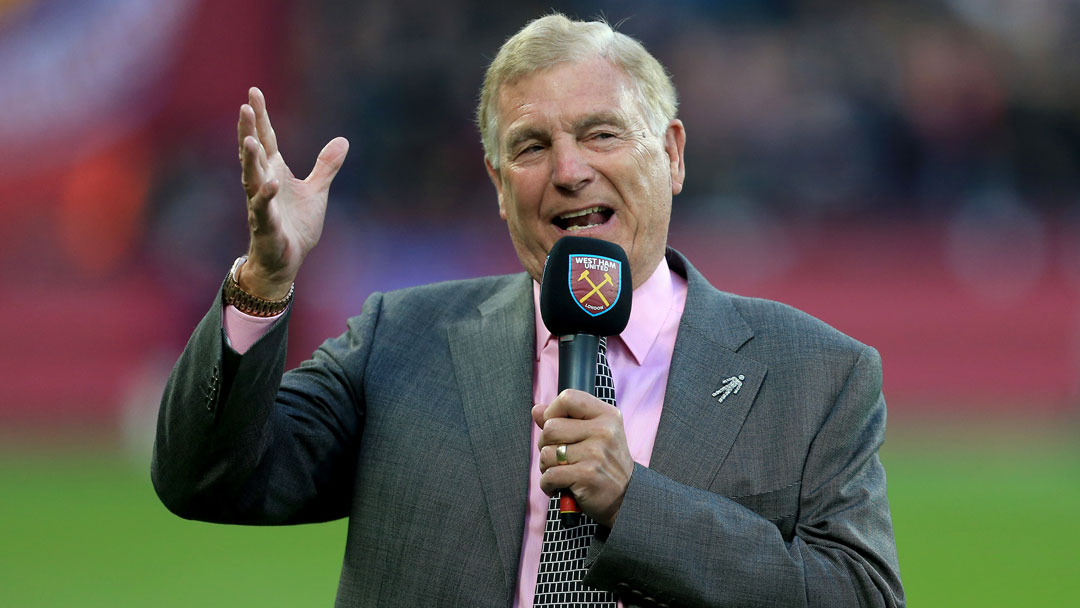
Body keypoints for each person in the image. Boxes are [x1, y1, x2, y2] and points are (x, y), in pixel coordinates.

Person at [152, 14, 904, 607]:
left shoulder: (817, 373)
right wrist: (263, 280)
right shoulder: (398, 343)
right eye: (532, 146)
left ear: (672, 154)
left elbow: (860, 597)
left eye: (601, 133)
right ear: (498, 181)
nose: (570, 171)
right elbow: (209, 480)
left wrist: (637, 503)